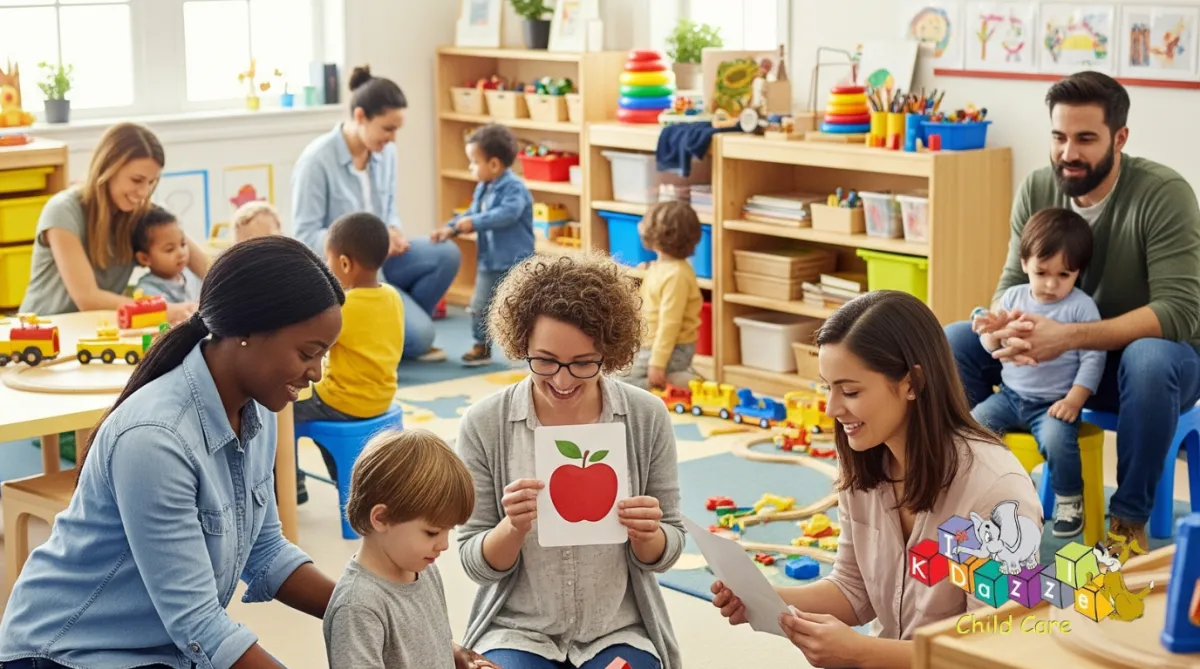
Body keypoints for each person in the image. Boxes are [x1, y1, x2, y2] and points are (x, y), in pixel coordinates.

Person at [0, 236, 343, 669]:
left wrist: (370, 608)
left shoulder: (258, 408)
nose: (316, 373)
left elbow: (266, 549)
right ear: (246, 332)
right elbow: (199, 624)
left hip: (161, 651)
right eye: (308, 353)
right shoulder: (155, 439)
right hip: (69, 653)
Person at [711, 291, 1043, 669]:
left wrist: (861, 652)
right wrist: (765, 598)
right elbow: (853, 589)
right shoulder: (864, 459)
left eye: (850, 391)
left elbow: (994, 649)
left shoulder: (997, 491)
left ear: (912, 383)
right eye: (828, 388)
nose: (832, 409)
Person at [944, 70, 1200, 550]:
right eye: (1059, 137)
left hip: (1149, 370)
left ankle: (1127, 523)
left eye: (1085, 139)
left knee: (1150, 357)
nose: (1067, 153)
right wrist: (1002, 331)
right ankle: (959, 490)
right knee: (955, 338)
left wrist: (1066, 337)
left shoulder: (1164, 194)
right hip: (1048, 365)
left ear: (1119, 138)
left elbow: (1180, 312)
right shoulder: (1037, 187)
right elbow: (1011, 286)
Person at [455, 254, 684, 669]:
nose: (562, 380)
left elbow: (670, 547)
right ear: (521, 344)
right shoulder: (484, 424)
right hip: (517, 629)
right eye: (545, 360)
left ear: (608, 352)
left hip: (618, 628)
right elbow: (475, 562)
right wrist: (511, 528)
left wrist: (649, 535)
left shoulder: (646, 417)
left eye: (583, 363)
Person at [292, 64, 459, 362]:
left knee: (446, 253)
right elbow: (305, 236)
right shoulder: (316, 161)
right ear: (360, 117)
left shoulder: (385, 152)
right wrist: (361, 243)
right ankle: (395, 330)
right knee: (422, 337)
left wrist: (393, 230)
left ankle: (391, 324)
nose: (393, 138)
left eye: (396, 129)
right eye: (388, 129)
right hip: (348, 272)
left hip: (382, 261)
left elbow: (389, 208)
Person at [970, 207, 1104, 538]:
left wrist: (1074, 400)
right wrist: (992, 333)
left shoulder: (1080, 307)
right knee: (971, 426)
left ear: (1078, 272)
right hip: (1010, 397)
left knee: (1058, 441)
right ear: (1024, 263)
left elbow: (1093, 358)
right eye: (1041, 272)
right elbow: (989, 344)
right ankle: (991, 488)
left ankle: (1069, 500)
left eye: (1064, 275)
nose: (1050, 284)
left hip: (1054, 405)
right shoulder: (1013, 298)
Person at [324, 428, 497, 669]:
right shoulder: (357, 607)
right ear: (381, 518)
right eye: (432, 532)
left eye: (449, 530)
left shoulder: (424, 569)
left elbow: (431, 647)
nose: (444, 545)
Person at [19, 122, 207, 324]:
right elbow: (87, 298)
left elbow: (206, 266)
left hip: (96, 328)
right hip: (42, 328)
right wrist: (169, 311)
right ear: (108, 168)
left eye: (151, 182)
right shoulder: (62, 211)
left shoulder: (142, 213)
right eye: (136, 180)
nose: (144, 192)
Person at [294, 211, 405, 505]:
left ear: (344, 263)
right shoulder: (392, 296)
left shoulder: (344, 306)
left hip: (343, 402)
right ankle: (347, 481)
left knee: (280, 410)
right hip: (382, 397)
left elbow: (309, 343)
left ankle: (292, 483)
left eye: (328, 262)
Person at [431, 123, 534, 367]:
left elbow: (507, 214)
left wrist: (474, 222)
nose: (471, 167)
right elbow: (471, 213)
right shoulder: (482, 188)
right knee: (479, 306)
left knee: (523, 308)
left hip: (516, 262)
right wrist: (451, 228)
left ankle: (530, 347)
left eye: (474, 162)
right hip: (489, 261)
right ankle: (482, 345)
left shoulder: (515, 188)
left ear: (494, 164)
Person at [617, 201, 702, 390]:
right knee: (617, 371)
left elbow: (670, 324)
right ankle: (672, 377)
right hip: (652, 344)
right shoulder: (661, 267)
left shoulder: (676, 275)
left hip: (671, 349)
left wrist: (657, 364)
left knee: (620, 383)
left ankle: (677, 381)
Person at [133, 204, 204, 303]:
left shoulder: (190, 276)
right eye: (170, 249)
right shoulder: (146, 292)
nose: (181, 253)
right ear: (145, 258)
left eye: (183, 244)